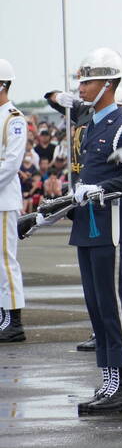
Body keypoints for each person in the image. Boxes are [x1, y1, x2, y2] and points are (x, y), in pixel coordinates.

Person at [68, 48, 122, 414]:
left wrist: (100, 189)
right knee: (96, 306)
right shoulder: (90, 127)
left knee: (112, 307)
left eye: (88, 81)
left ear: (107, 84)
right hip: (89, 227)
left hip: (112, 227)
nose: (81, 87)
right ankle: (108, 381)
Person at [0, 59, 29, 343]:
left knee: (5, 260)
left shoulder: (14, 118)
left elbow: (11, 164)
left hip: (4, 201)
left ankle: (13, 319)